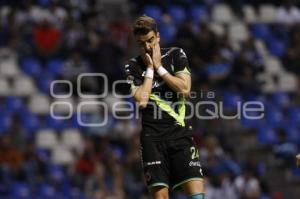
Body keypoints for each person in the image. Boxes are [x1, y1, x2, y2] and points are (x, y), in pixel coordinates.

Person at [124, 15, 205, 199]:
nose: (147, 47)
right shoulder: (132, 66)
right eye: (141, 43)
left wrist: (160, 68)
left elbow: (184, 89)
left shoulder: (176, 55)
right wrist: (151, 70)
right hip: (153, 140)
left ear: (158, 37)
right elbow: (142, 100)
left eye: (150, 40)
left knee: (197, 195)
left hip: (180, 135)